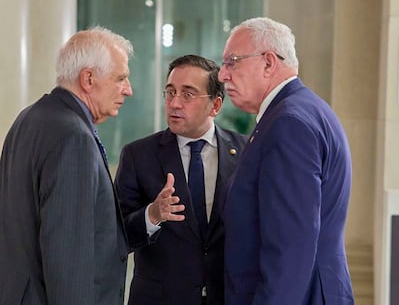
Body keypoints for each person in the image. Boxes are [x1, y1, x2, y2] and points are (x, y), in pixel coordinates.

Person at [218, 17, 355, 304]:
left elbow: (290, 245)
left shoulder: (288, 123)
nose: (222, 75)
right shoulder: (300, 110)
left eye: (232, 61)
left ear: (269, 62)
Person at [0, 27, 134, 305]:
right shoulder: (73, 136)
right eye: (121, 78)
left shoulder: (29, 118)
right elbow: (68, 254)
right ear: (88, 79)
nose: (128, 90)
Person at [114, 54, 247, 305]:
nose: (175, 103)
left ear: (215, 106)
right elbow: (117, 237)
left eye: (187, 94)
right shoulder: (138, 155)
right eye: (170, 92)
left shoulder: (245, 151)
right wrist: (152, 215)